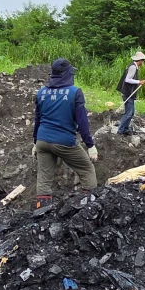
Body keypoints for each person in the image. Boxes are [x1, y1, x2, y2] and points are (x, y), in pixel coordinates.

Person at [33, 58, 98, 208]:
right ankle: (88, 209)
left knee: (44, 179)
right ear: (68, 73)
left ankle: (41, 213)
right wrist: (90, 145)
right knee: (87, 170)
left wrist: (35, 142)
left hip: (42, 141)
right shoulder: (75, 92)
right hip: (64, 141)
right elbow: (82, 122)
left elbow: (37, 119)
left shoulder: (41, 92)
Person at [116, 50, 145, 135]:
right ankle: (120, 131)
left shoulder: (134, 66)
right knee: (128, 113)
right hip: (127, 93)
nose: (143, 62)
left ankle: (126, 129)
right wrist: (139, 82)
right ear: (140, 60)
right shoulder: (133, 67)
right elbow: (127, 79)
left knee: (131, 113)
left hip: (129, 92)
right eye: (143, 61)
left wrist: (139, 82)